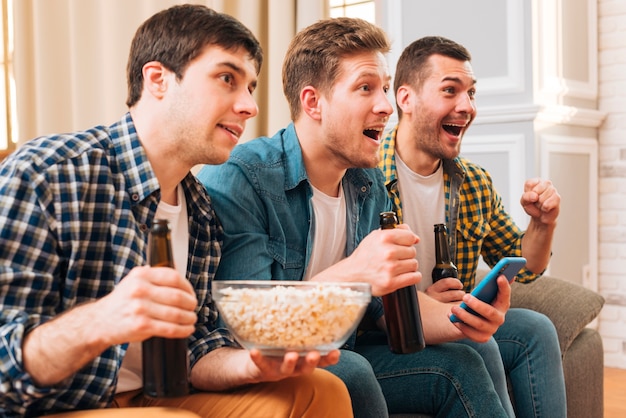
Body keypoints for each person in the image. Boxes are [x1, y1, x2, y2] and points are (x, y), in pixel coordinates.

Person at [0, 5, 353, 418]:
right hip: (49, 406)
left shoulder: (202, 210)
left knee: (317, 390)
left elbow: (196, 345)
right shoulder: (48, 174)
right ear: (158, 80)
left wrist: (251, 362)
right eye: (227, 79)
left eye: (250, 87)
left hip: (150, 395)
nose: (249, 106)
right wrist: (101, 320)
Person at [198, 17, 514, 418]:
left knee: (471, 353)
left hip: (342, 351)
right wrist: (356, 270)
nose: (385, 105)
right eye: (366, 88)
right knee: (352, 369)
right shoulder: (243, 177)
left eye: (383, 87)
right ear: (313, 103)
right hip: (272, 363)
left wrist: (464, 318)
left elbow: (383, 311)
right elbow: (250, 332)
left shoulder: (366, 183)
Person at [379, 35, 567, 417]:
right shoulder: (365, 178)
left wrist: (543, 223)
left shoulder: (474, 182)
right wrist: (425, 305)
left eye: (471, 93)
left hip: (453, 318)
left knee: (536, 329)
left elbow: (524, 266)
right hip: (388, 333)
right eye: (450, 91)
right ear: (406, 98)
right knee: (476, 344)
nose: (467, 107)